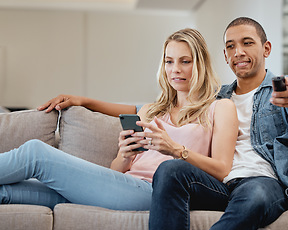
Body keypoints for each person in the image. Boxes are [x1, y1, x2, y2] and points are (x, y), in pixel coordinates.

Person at [0, 28, 238, 211]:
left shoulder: (220, 108)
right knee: (7, 192)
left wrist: (176, 149)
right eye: (169, 61)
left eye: (184, 61)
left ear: (201, 64)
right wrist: (125, 156)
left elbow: (221, 170)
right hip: (123, 186)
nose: (175, 69)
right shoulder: (150, 111)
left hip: (155, 192)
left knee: (35, 154)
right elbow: (117, 169)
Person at [147, 17, 288, 230]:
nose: (238, 51)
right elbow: (156, 108)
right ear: (225, 55)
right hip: (218, 183)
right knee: (170, 170)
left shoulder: (285, 88)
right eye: (231, 46)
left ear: (266, 48)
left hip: (262, 182)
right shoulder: (215, 98)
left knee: (253, 195)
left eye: (247, 43)